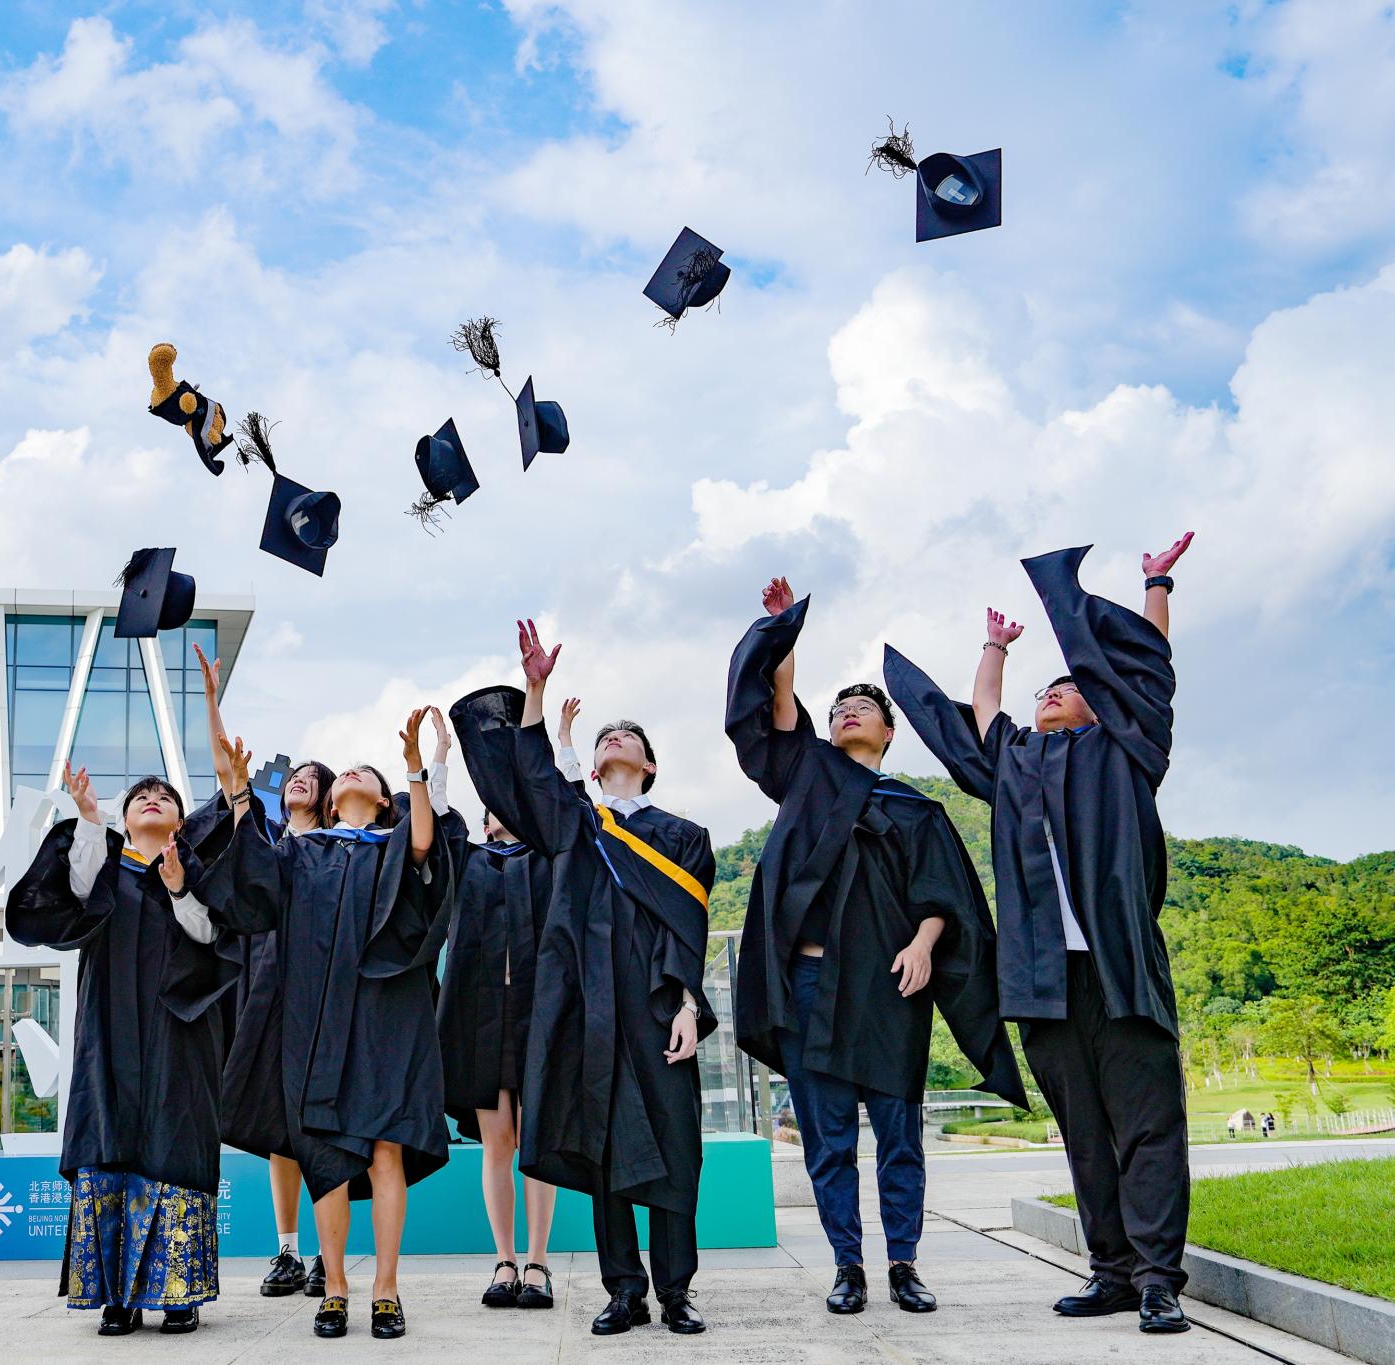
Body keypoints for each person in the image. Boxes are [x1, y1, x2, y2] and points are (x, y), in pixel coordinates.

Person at [886, 535, 1196, 1336]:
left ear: (1100, 702)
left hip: (1120, 970)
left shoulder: (1127, 749)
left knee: (1147, 1128)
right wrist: (994, 647)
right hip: (1043, 981)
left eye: (1070, 686)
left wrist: (1156, 584)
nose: (1054, 694)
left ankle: (1159, 1280)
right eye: (1046, 690)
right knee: (1086, 1134)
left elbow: (1146, 669)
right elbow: (983, 718)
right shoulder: (1016, 764)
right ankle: (1112, 1272)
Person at [726, 578, 1026, 1315]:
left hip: (891, 988)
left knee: (899, 1135)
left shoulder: (917, 811)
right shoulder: (807, 780)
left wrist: (924, 943)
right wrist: (783, 632)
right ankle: (848, 1265)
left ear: (889, 733)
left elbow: (946, 898)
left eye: (863, 707)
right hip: (811, 988)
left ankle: (902, 1263)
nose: (848, 711)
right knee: (828, 1140)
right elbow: (780, 708)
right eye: (838, 709)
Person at [451, 621, 715, 1338]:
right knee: (605, 1147)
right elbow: (535, 777)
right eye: (604, 738)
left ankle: (677, 1290)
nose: (613, 738)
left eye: (628, 736)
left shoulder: (685, 837)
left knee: (674, 1144)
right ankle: (624, 1289)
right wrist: (534, 690)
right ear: (592, 769)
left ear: (650, 765)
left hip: (658, 1004)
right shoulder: (578, 826)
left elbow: (687, 929)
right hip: (592, 1010)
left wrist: (687, 1004)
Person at [201, 711, 452, 1341]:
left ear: (383, 799)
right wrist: (239, 793)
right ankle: (335, 1285)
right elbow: (252, 878)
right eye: (347, 772)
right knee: (325, 1153)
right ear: (332, 800)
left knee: (386, 1148)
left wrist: (415, 769)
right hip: (312, 1017)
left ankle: (386, 1288)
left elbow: (425, 843)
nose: (354, 774)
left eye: (368, 772)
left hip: (386, 1017)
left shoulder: (393, 846)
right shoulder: (298, 852)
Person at [5, 766, 236, 1337]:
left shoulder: (198, 872)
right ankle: (118, 1296)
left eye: (164, 796)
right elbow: (77, 891)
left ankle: (177, 1290)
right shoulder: (106, 866)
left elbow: (213, 938)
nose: (153, 800)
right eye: (141, 797)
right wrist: (88, 818)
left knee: (174, 1137)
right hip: (109, 1030)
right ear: (125, 817)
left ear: (180, 820)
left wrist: (179, 887)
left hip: (179, 1031)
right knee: (110, 1137)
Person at [187, 643, 333, 1300]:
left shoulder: (339, 850)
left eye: (311, 777)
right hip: (266, 988)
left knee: (321, 1125)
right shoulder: (264, 838)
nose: (298, 779)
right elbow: (228, 770)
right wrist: (211, 698)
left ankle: (329, 1255)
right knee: (278, 1127)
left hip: (320, 994)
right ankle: (288, 1251)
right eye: (293, 775)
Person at [437, 704, 560, 1312]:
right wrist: (439, 756)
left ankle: (538, 1261)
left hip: (539, 1015)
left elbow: (565, 808)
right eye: (492, 806)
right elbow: (437, 820)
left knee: (535, 1138)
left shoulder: (548, 856)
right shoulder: (470, 860)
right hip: (482, 1017)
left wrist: (557, 742)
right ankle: (504, 1259)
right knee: (497, 1142)